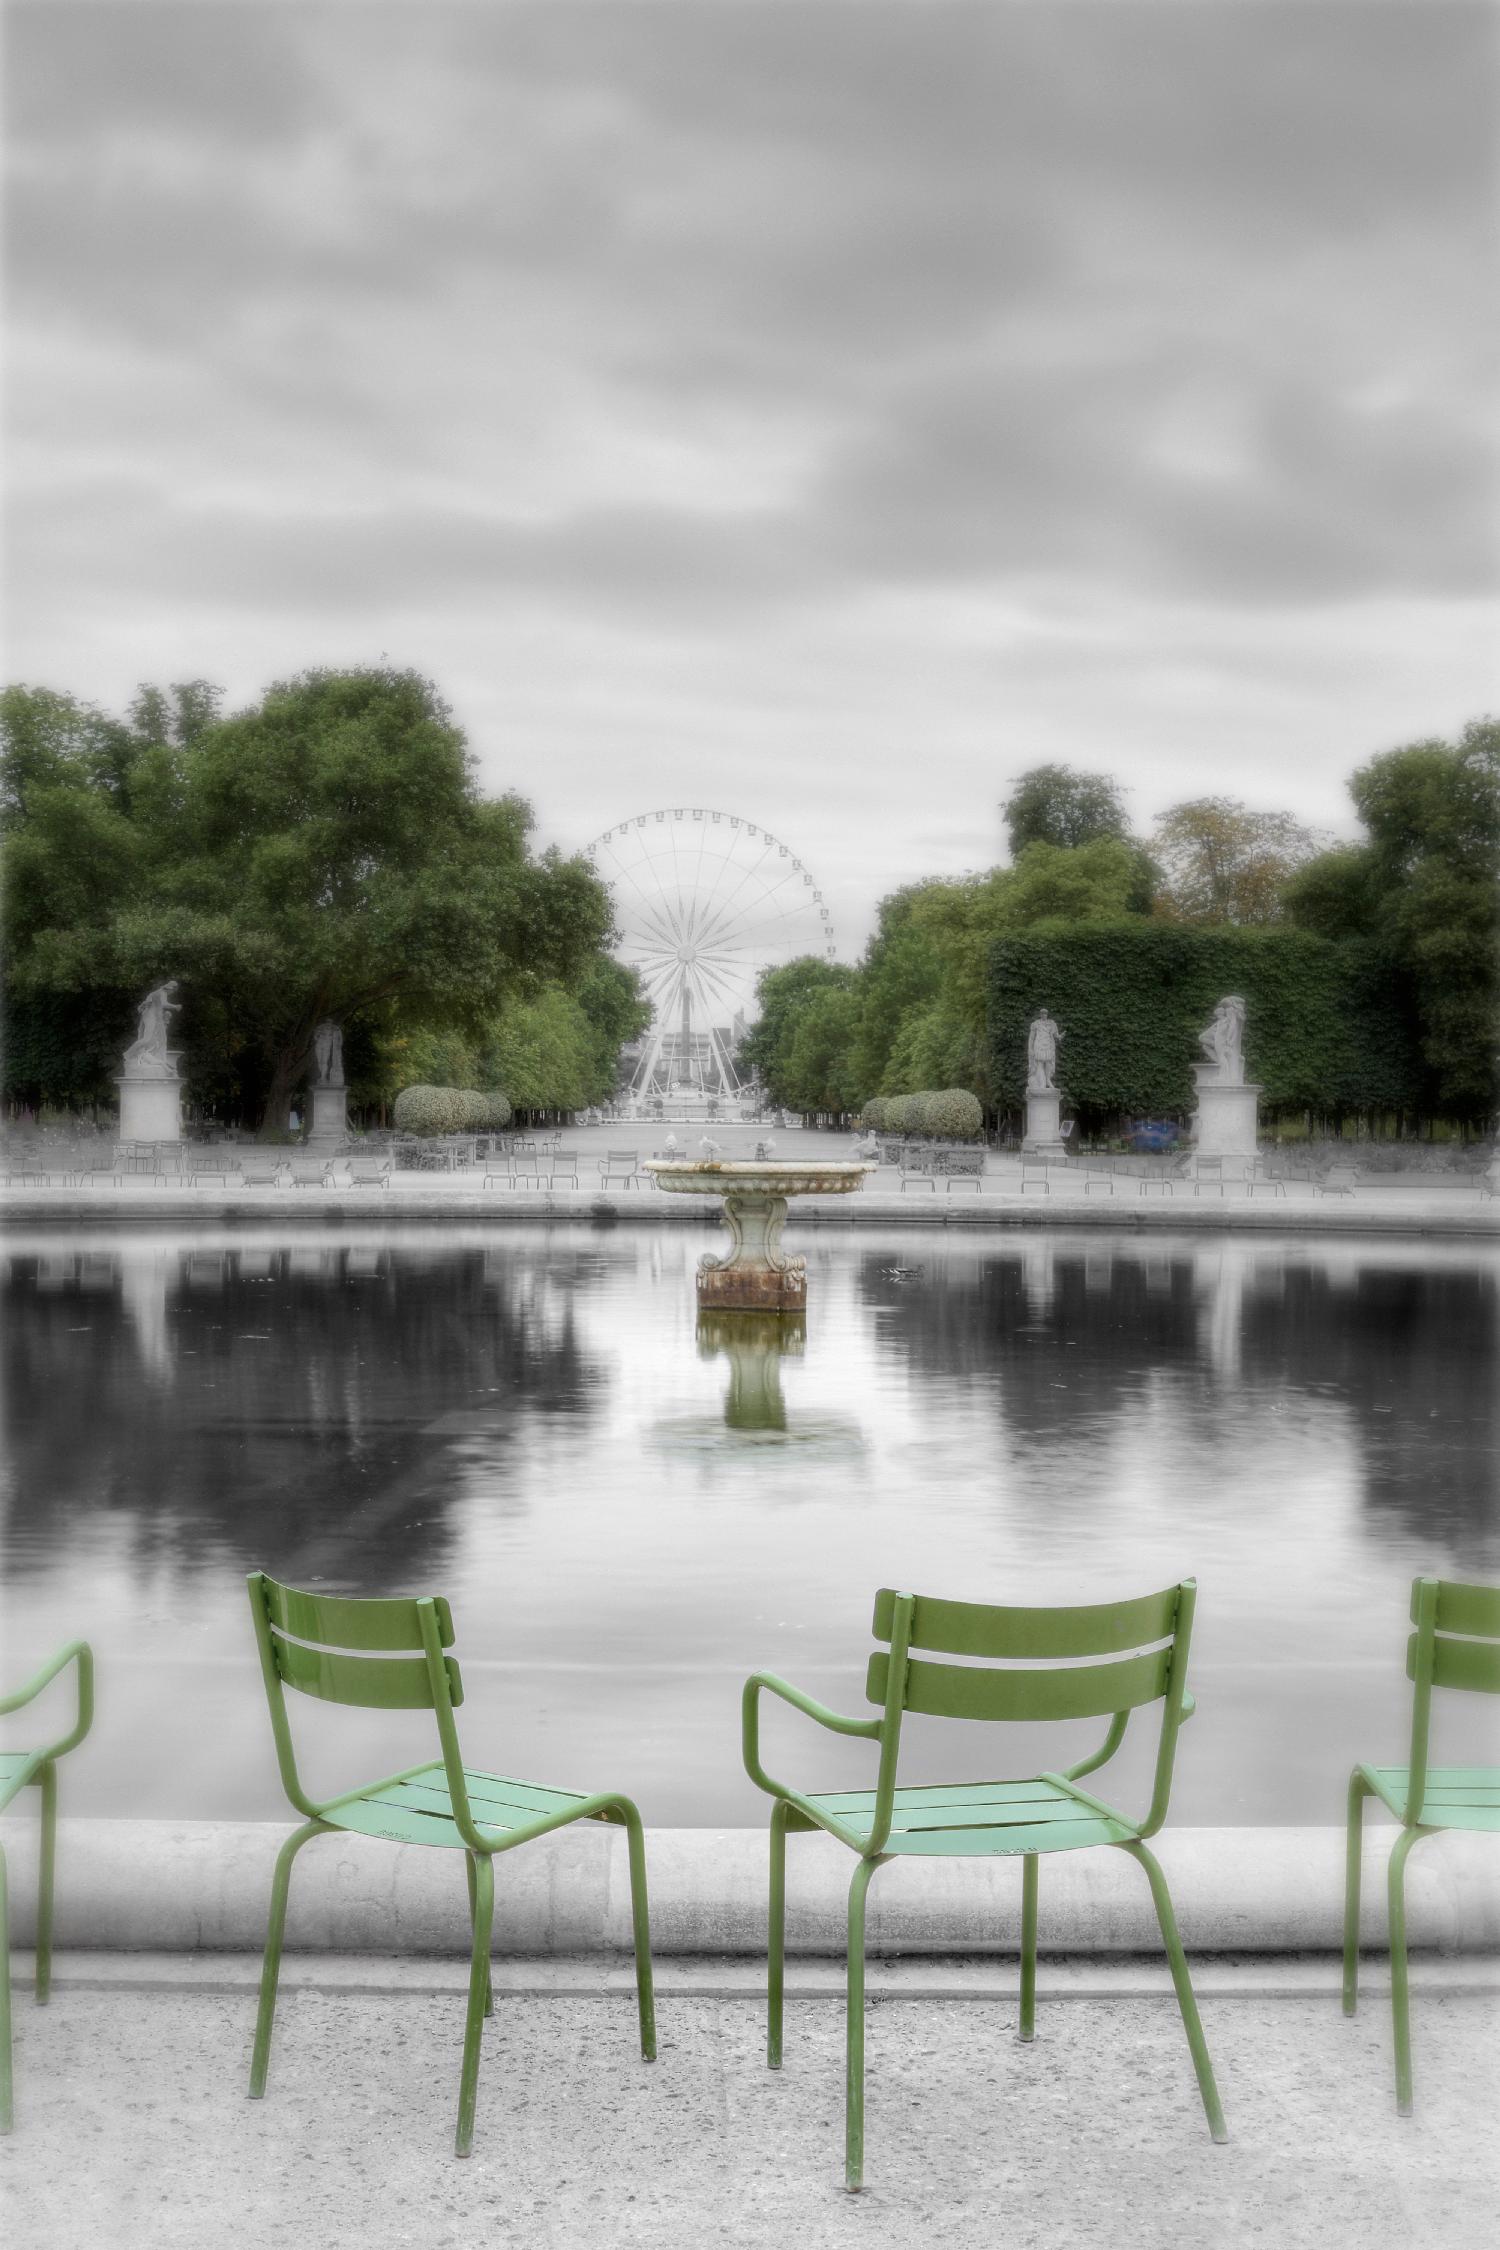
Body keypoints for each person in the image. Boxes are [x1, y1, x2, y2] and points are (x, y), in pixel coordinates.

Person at [124, 981, 182, 1074]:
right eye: (173, 991)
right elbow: (163, 1004)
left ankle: (157, 1059)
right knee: (147, 1039)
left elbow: (142, 1007)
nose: (172, 993)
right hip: (151, 1017)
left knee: (154, 1039)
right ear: (170, 989)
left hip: (150, 1016)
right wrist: (175, 1006)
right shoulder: (162, 993)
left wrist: (144, 1007)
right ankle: (128, 1054)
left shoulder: (154, 993)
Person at [1026, 1010, 1061, 1094]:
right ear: (1040, 1014)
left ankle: (1048, 1080)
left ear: (1047, 1014)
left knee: (1048, 1063)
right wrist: (1030, 1048)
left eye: (1045, 1013)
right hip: (1038, 1045)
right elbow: (1031, 1037)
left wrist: (1060, 1037)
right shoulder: (1035, 1024)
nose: (1044, 1015)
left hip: (1048, 1045)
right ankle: (1042, 1083)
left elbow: (1056, 1035)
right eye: (1042, 1013)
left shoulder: (1052, 1023)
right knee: (1040, 1064)